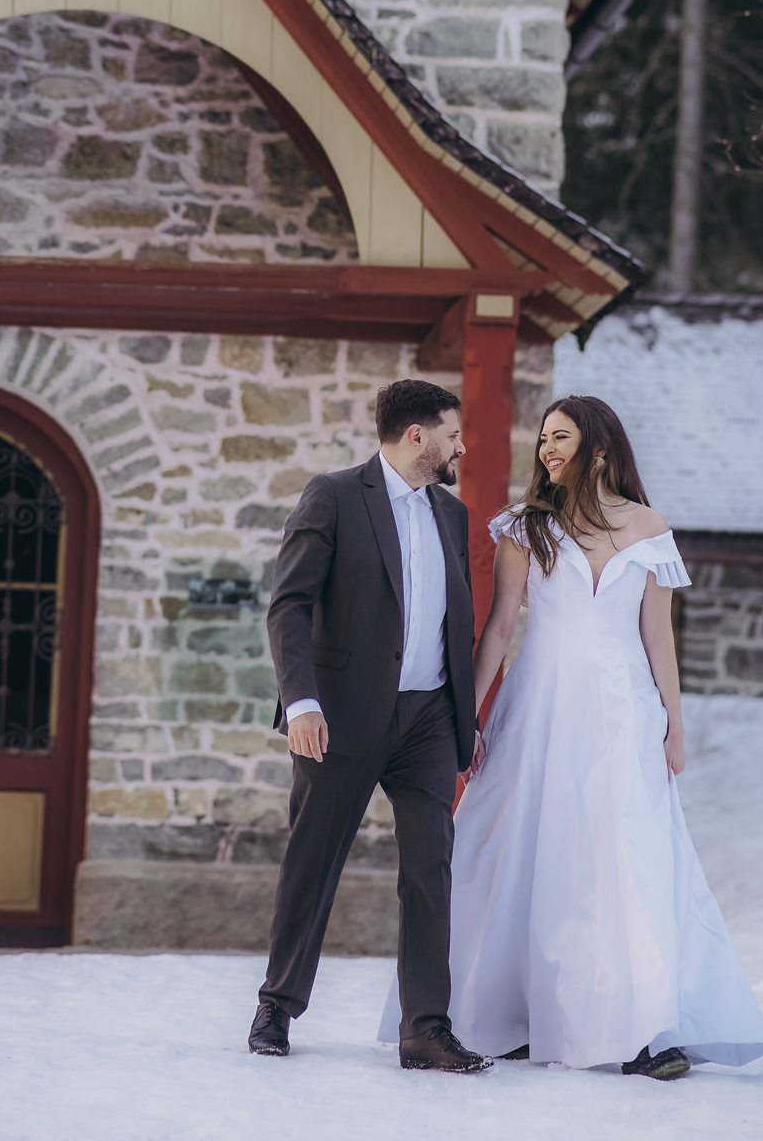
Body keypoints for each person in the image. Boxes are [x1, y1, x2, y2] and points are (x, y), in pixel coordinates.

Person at [380, 393, 763, 1077]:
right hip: (540, 708)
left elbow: (658, 638)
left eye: (559, 437)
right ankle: (507, 1015)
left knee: (628, 858)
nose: (546, 450)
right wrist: (467, 718)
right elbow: (500, 629)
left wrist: (675, 725)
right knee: (519, 852)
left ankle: (646, 1030)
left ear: (597, 445)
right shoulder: (525, 526)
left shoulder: (649, 527)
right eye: (543, 439)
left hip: (624, 711)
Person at [248, 380, 492, 1073]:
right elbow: (289, 605)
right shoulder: (332, 496)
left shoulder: (451, 513)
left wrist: (465, 717)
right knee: (313, 859)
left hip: (428, 719)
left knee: (431, 869)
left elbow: (456, 622)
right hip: (340, 714)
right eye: (451, 433)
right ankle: (277, 1005)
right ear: (417, 436)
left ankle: (426, 1029)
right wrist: (302, 702)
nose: (460, 447)